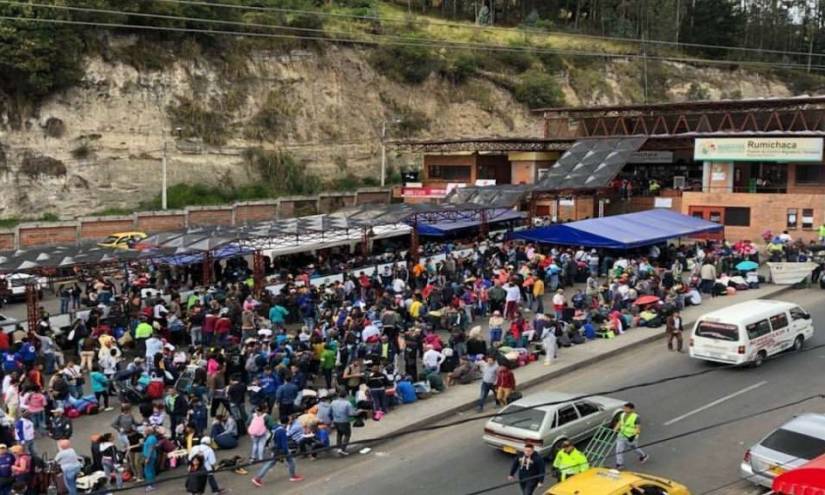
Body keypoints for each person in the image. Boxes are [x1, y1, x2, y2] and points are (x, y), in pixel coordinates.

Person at [251, 416, 303, 487]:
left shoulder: (276, 427)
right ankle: (293, 476)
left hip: (275, 448)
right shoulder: (282, 431)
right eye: (290, 420)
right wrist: (286, 451)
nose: (291, 420)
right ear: (287, 422)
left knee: (271, 463)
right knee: (288, 461)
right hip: (280, 449)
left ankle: (258, 478)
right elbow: (283, 443)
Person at [614, 402, 649, 469]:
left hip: (631, 437)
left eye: (626, 408)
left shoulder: (636, 417)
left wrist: (633, 436)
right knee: (618, 450)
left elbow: (638, 428)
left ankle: (643, 455)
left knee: (634, 448)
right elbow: (620, 422)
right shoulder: (622, 415)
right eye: (624, 408)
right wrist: (616, 428)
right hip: (621, 435)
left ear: (632, 409)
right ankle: (619, 464)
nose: (624, 409)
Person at [143, 427, 159, 491]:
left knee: (148, 470)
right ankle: (152, 483)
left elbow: (150, 449)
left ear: (149, 431)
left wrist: (147, 458)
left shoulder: (151, 438)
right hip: (151, 456)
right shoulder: (151, 438)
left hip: (149, 456)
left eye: (146, 431)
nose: (144, 432)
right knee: (151, 470)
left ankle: (150, 485)